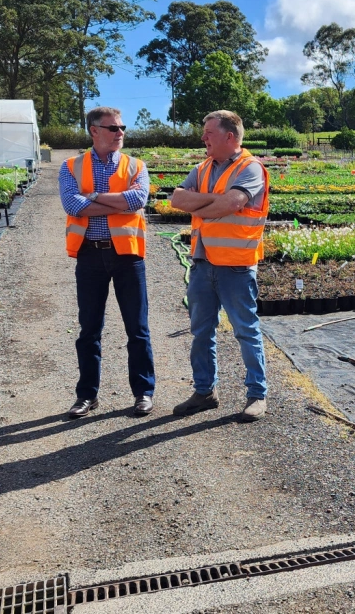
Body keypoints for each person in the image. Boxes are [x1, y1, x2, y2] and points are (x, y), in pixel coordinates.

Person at [167, 110, 270, 422]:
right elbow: (176, 200)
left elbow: (233, 203)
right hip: (202, 262)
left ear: (230, 136)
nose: (203, 138)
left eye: (209, 133)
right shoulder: (202, 167)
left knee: (246, 331)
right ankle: (204, 391)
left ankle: (257, 395)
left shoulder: (251, 168)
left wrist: (203, 203)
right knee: (201, 331)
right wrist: (216, 201)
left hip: (236, 267)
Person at [59, 106, 155, 418]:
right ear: (94, 131)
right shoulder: (71, 166)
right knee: (89, 329)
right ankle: (87, 396)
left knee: (137, 329)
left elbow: (137, 200)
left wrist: (94, 196)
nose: (120, 133)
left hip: (127, 255)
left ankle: (143, 393)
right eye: (113, 128)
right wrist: (115, 202)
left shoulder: (135, 165)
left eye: (122, 127)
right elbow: (72, 205)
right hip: (89, 254)